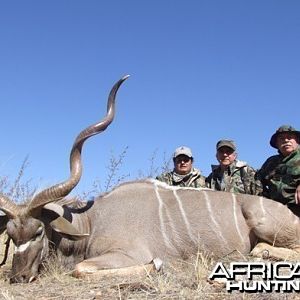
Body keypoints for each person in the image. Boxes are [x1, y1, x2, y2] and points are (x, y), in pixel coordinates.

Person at [256, 125, 300, 209]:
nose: (286, 140)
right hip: (275, 210)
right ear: (277, 143)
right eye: (281, 138)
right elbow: (257, 180)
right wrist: (264, 198)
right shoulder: (271, 162)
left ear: (297, 141)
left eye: (289, 137)